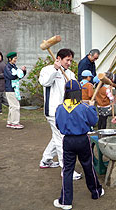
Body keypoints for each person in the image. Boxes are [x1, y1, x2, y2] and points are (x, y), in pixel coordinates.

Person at [53, 79, 104, 209]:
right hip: (82, 140)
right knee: (88, 166)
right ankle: (96, 192)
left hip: (68, 141)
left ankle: (66, 201)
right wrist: (92, 106)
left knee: (68, 170)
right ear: (79, 92)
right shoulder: (84, 107)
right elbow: (94, 121)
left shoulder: (60, 108)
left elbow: (58, 125)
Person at [38, 48, 81, 180]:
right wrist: (55, 70)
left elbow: (73, 91)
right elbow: (44, 82)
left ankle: (46, 160)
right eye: (67, 60)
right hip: (52, 112)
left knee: (56, 137)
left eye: (71, 60)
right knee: (62, 138)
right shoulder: (47, 70)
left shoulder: (70, 74)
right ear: (58, 58)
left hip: (66, 111)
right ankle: (66, 169)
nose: (69, 63)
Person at [4, 52, 26, 129]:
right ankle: (15, 122)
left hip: (12, 89)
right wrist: (19, 72)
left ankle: (10, 122)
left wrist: (23, 71)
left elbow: (18, 76)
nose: (16, 60)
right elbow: (12, 76)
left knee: (12, 106)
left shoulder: (13, 67)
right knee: (15, 106)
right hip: (10, 89)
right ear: (10, 59)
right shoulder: (7, 67)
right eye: (15, 58)